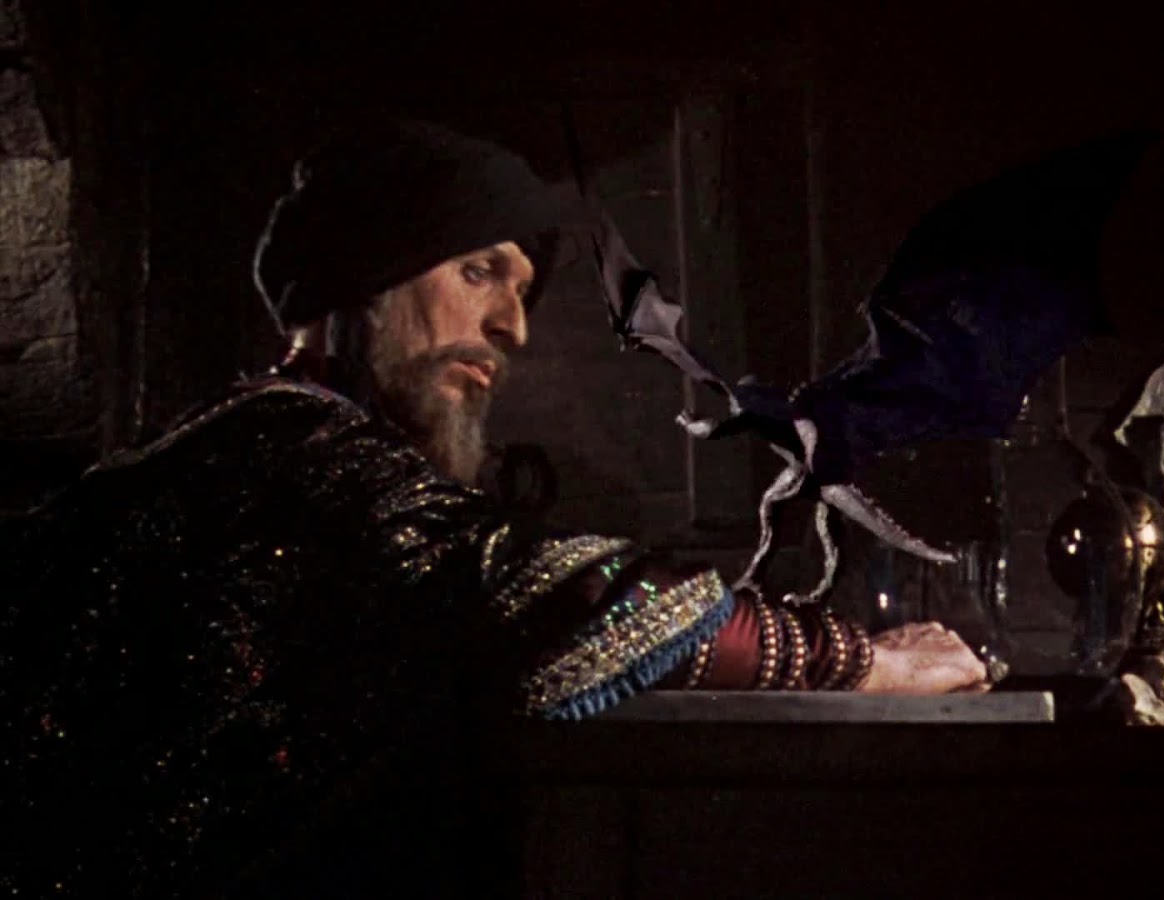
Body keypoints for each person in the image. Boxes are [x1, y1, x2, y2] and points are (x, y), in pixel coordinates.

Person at [0, 118, 988, 897]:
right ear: (364, 280)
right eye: (478, 271)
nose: (511, 324)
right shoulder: (294, 449)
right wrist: (866, 662)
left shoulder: (236, 442)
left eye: (520, 288)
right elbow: (553, 597)